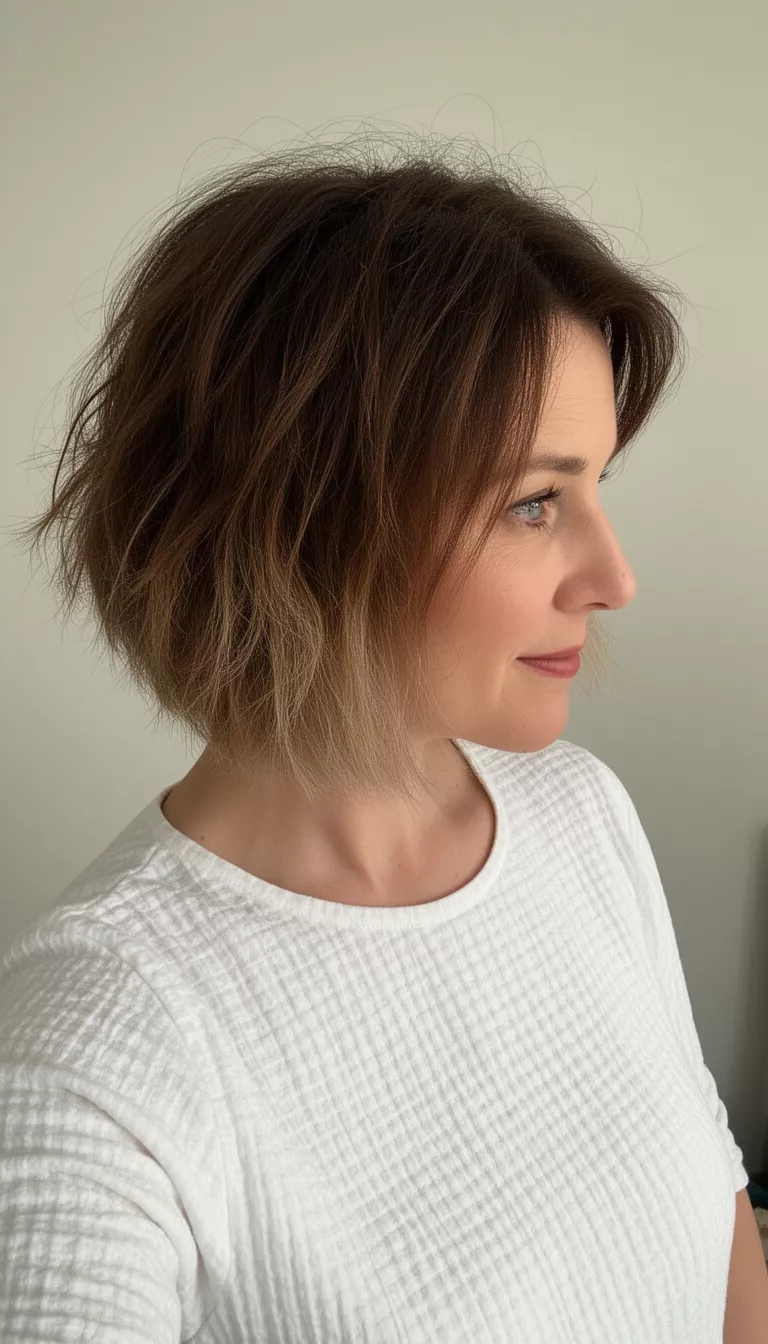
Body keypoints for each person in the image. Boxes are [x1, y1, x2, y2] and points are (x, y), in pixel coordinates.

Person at [3, 140, 765, 1342]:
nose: (614, 578)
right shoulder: (95, 1047)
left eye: (597, 486)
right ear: (303, 530)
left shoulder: (580, 813)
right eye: (535, 502)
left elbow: (718, 1204)